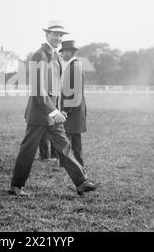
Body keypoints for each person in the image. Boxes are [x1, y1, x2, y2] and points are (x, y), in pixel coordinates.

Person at [9, 20, 97, 196]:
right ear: (47, 34)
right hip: (39, 113)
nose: (58, 38)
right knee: (28, 150)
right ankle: (16, 186)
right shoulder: (39, 55)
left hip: (51, 113)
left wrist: (56, 109)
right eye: (55, 34)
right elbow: (37, 88)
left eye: (60, 35)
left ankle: (81, 182)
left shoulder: (55, 55)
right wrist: (53, 110)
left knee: (64, 147)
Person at [59, 40, 86, 167]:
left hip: (72, 108)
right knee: (75, 137)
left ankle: (70, 163)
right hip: (76, 107)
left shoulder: (73, 66)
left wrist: (65, 110)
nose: (62, 55)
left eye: (63, 52)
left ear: (70, 52)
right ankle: (76, 162)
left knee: (69, 136)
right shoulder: (75, 65)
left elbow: (72, 92)